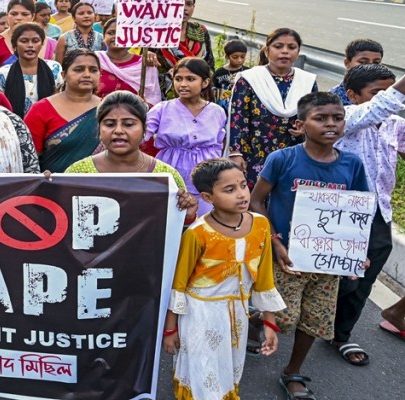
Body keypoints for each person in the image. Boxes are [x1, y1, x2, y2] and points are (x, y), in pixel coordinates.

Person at [249, 91, 370, 400]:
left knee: (315, 320)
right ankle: (252, 320)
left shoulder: (352, 165)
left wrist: (357, 253)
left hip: (327, 262)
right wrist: (275, 243)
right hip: (286, 256)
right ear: (301, 125)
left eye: (337, 118)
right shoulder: (283, 159)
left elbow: (356, 211)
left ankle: (293, 371)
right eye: (320, 118)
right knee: (283, 316)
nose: (330, 124)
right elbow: (256, 201)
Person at [163, 159, 284, 400]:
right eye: (229, 190)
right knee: (202, 374)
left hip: (238, 314)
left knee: (227, 369)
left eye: (243, 185)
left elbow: (264, 279)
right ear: (208, 197)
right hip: (199, 315)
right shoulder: (198, 233)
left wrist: (269, 323)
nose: (241, 194)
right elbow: (178, 284)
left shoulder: (260, 225)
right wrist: (170, 329)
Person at [331, 62, 405, 364]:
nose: (386, 97)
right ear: (353, 95)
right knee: (340, 276)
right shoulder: (349, 116)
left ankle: (340, 335)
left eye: (389, 88)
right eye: (376, 92)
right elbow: (382, 106)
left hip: (380, 212)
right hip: (343, 211)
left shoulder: (396, 125)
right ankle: (306, 319)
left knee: (364, 279)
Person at [64, 91, 198, 221]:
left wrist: (188, 217)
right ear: (99, 129)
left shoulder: (166, 177)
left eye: (128, 124)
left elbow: (176, 231)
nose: (118, 131)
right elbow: (63, 224)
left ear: (144, 129)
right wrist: (46, 186)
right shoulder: (77, 173)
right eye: (110, 124)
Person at [228, 28, 317, 188]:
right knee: (256, 203)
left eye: (291, 47)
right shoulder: (250, 79)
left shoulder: (307, 81)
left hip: (294, 153)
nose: (285, 52)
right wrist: (236, 153)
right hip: (255, 153)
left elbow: (315, 114)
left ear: (298, 52)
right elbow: (238, 117)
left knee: (287, 199)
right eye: (278, 46)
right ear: (267, 51)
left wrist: (306, 130)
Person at [145, 58, 227, 215]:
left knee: (203, 221)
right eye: (178, 79)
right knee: (170, 217)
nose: (182, 84)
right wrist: (136, 111)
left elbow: (219, 144)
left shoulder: (217, 111)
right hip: (171, 170)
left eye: (190, 79)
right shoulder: (162, 109)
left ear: (205, 82)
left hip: (206, 175)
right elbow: (141, 134)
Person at [24, 49, 102, 172]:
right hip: (51, 186)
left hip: (98, 186)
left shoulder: (107, 109)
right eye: (79, 69)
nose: (87, 74)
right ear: (63, 75)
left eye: (93, 70)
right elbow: (28, 158)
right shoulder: (41, 109)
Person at [155, 0, 214, 98]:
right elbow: (147, 69)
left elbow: (210, 64)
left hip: (199, 94)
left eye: (189, 4)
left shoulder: (200, 31)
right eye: (179, 3)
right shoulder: (157, 33)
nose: (184, 9)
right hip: (166, 95)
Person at [0, 23, 62, 116]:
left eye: (35, 41)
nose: (30, 45)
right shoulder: (2, 74)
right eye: (24, 41)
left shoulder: (54, 68)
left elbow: (59, 100)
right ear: (14, 46)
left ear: (42, 44)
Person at [96, 17, 162, 105]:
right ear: (104, 38)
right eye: (110, 33)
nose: (115, 36)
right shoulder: (95, 59)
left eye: (122, 33)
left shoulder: (145, 63)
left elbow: (153, 99)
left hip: (134, 116)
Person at [212, 38, 249, 109]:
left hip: (242, 108)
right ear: (227, 57)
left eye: (242, 57)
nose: (239, 60)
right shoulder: (219, 73)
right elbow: (213, 92)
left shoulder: (248, 72)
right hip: (223, 108)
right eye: (235, 57)